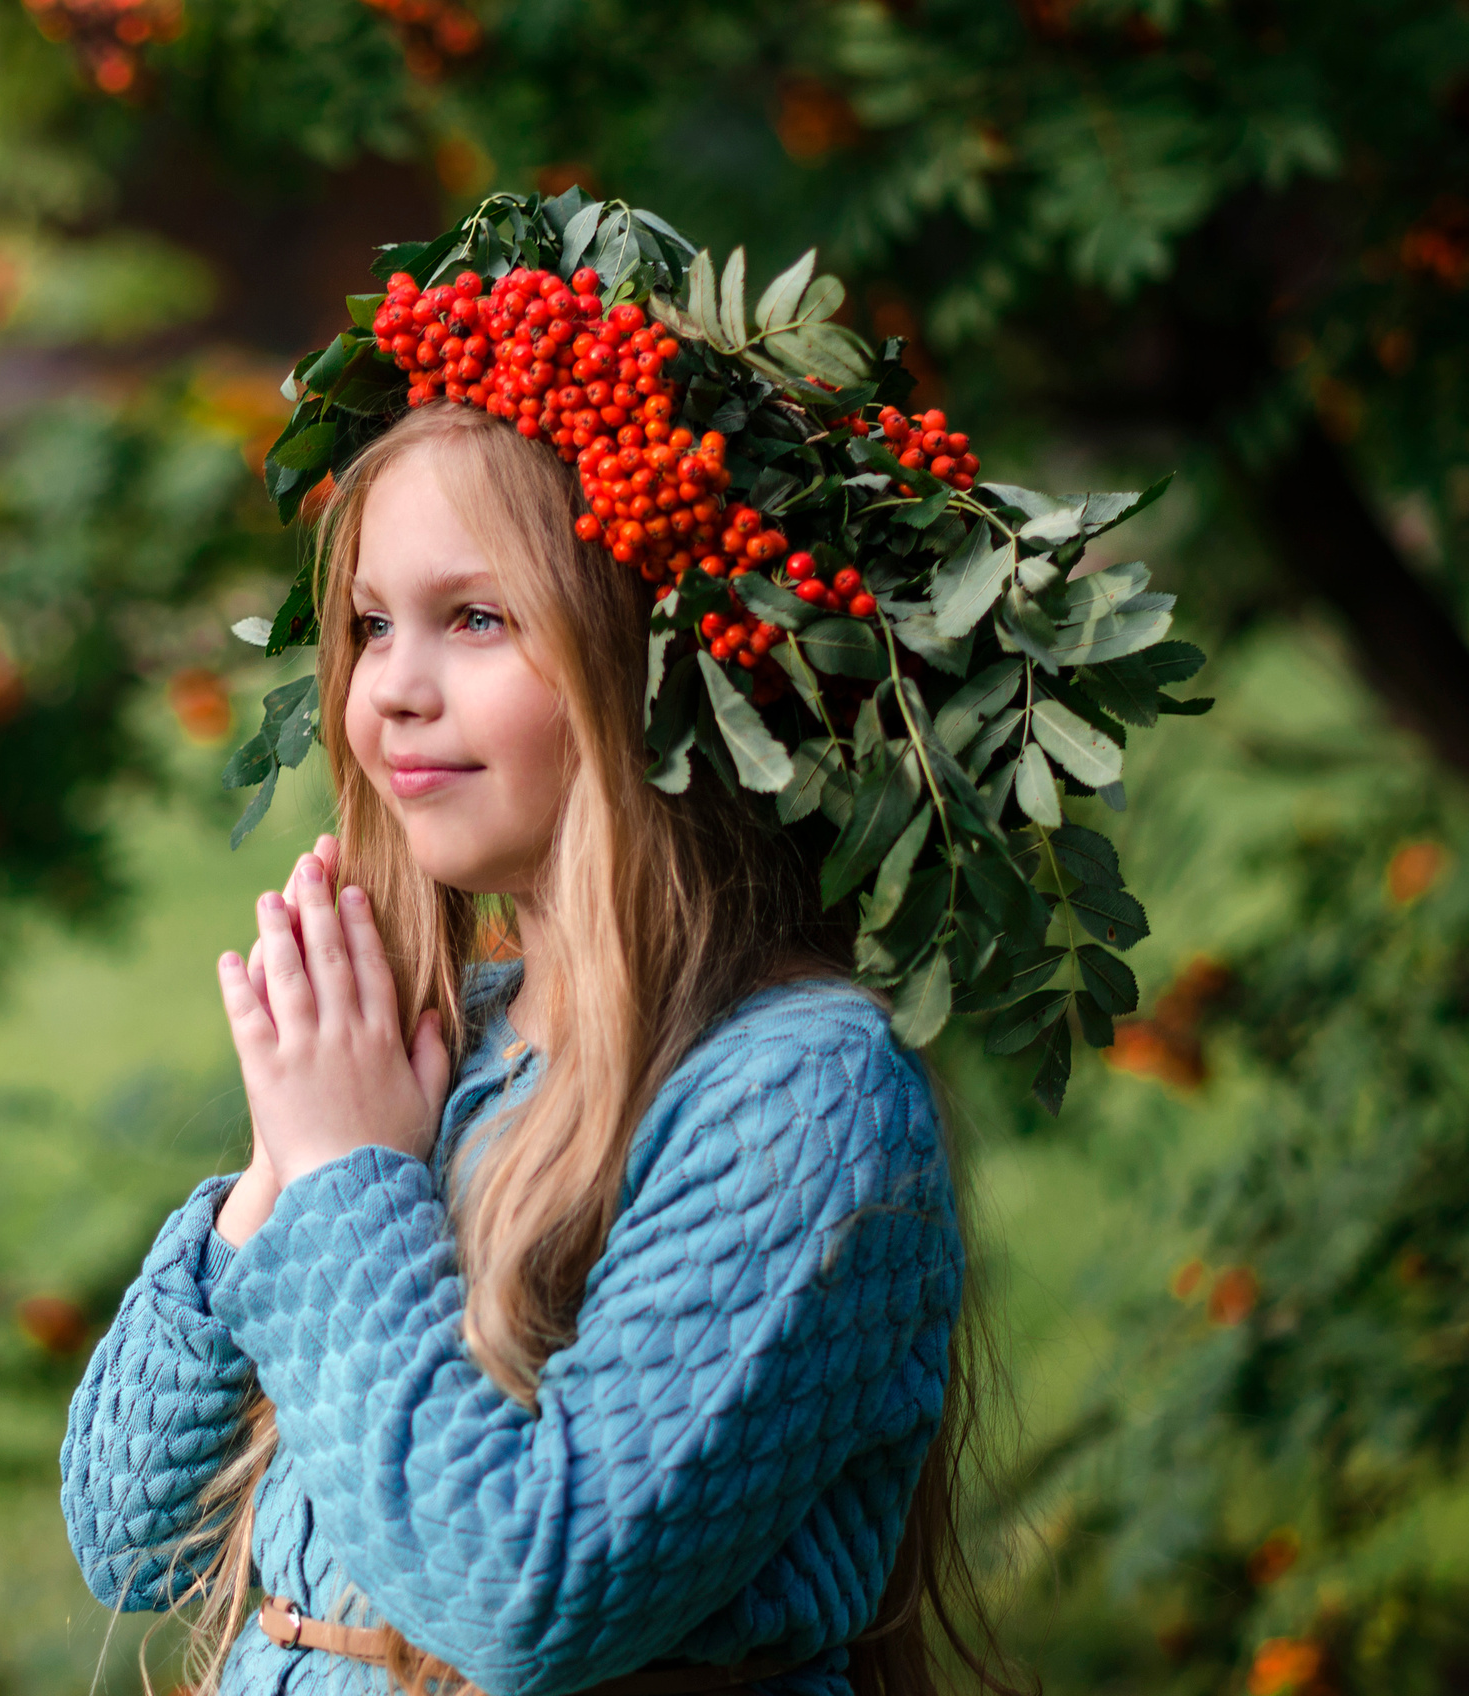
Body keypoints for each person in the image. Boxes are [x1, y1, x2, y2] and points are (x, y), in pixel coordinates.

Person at [58, 402, 1021, 1696]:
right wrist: (276, 1186)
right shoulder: (428, 1051)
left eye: (477, 619)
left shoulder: (802, 1094)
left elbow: (534, 1595)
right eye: (369, 624)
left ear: (658, 667)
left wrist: (344, 1177)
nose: (392, 687)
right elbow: (131, 1541)